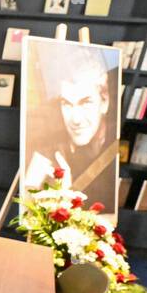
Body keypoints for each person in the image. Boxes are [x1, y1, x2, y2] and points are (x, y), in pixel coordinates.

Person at [23, 40, 118, 213]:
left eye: (85, 103)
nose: (75, 119)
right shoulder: (48, 148)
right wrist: (59, 193)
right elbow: (25, 203)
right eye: (67, 104)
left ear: (104, 102)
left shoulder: (116, 143)